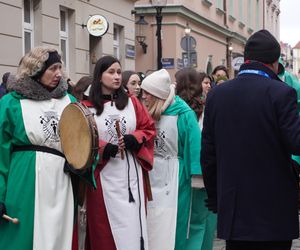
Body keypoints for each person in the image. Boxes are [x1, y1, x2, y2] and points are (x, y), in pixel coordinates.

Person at [201, 29, 300, 250]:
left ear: (245, 60)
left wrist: (216, 197)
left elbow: (208, 153)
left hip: (234, 209)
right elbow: (296, 142)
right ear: (274, 63)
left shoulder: (217, 94)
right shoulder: (281, 93)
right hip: (274, 212)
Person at [0, 46, 82, 250]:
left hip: (61, 181)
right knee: (22, 238)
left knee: (58, 238)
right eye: (52, 68)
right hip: (24, 179)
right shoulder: (11, 103)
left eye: (60, 68)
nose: (59, 74)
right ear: (35, 69)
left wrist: (80, 165)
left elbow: (85, 141)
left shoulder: (70, 102)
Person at [82, 55, 156, 250]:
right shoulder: (87, 107)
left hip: (131, 175)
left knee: (134, 229)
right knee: (105, 231)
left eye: (119, 72)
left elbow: (148, 129)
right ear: (99, 76)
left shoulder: (132, 103)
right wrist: (104, 148)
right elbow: (81, 141)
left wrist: (135, 138)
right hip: (104, 176)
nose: (116, 77)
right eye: (111, 72)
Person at [141, 69, 201, 250]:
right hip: (152, 172)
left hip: (175, 176)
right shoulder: (147, 112)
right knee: (152, 220)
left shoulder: (183, 113)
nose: (143, 97)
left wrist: (196, 176)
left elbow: (194, 145)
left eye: (147, 93)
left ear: (157, 94)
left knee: (174, 221)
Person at [175, 68, 216, 250]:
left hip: (186, 171)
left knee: (185, 219)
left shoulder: (176, 110)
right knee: (201, 220)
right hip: (203, 170)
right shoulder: (204, 109)